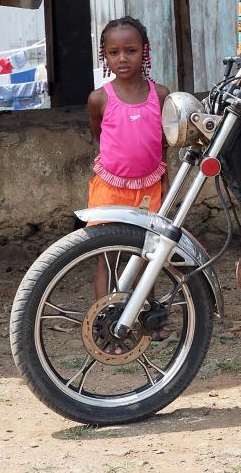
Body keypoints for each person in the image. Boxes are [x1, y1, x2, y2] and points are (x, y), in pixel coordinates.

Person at [87, 17, 170, 298]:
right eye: (114, 52)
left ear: (144, 51)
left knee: (146, 253)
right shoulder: (99, 99)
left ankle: (146, 317)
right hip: (110, 190)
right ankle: (104, 318)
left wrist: (165, 183)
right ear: (105, 55)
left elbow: (163, 144)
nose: (122, 59)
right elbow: (100, 136)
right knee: (107, 255)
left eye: (130, 51)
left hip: (149, 188)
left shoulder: (160, 95)